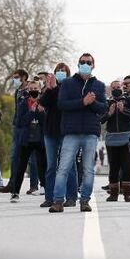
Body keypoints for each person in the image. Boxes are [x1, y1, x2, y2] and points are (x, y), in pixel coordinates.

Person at [49, 53, 107, 213]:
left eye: (88, 62)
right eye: (82, 62)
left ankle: (85, 200)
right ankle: (58, 201)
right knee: (63, 168)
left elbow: (103, 108)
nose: (85, 64)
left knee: (88, 169)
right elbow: (62, 104)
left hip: (90, 132)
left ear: (93, 65)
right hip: (71, 132)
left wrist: (92, 102)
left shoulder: (99, 85)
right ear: (78, 64)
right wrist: (83, 102)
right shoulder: (68, 83)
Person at [40, 63, 78, 209]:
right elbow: (42, 104)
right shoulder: (50, 88)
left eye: (63, 71)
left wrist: (54, 88)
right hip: (50, 131)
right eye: (58, 71)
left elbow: (62, 103)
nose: (60, 73)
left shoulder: (71, 87)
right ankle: (50, 197)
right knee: (50, 166)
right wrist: (49, 89)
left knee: (68, 165)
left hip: (66, 131)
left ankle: (71, 196)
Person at [5, 79, 47, 202]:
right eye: (31, 89)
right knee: (21, 166)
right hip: (26, 139)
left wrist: (42, 112)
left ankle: (45, 188)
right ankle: (15, 192)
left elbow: (47, 122)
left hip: (40, 139)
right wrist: (31, 112)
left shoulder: (44, 102)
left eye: (36, 89)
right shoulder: (23, 103)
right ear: (28, 90)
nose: (34, 91)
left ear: (40, 89)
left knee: (42, 165)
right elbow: (19, 122)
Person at [101, 79, 130, 202]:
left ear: (122, 88)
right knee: (114, 168)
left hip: (127, 138)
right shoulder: (106, 102)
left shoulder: (129, 100)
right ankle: (113, 194)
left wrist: (124, 110)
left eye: (118, 86)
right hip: (112, 138)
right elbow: (100, 119)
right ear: (110, 90)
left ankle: (128, 193)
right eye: (113, 87)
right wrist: (109, 113)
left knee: (127, 166)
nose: (116, 89)